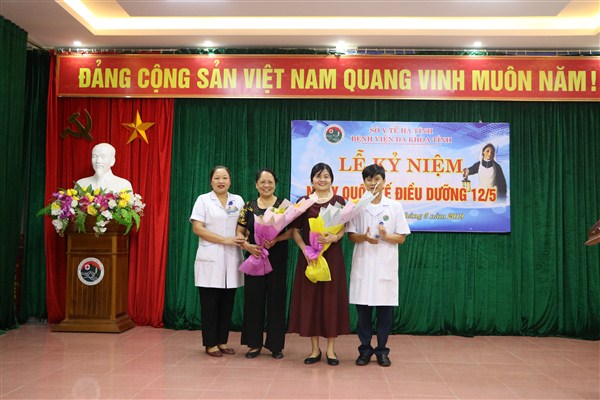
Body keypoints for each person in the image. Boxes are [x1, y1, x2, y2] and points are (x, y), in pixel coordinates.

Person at [347, 164, 410, 367]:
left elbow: (401, 238)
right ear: (364, 182)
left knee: (384, 313)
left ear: (384, 182)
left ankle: (382, 351)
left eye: (377, 179)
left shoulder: (395, 206)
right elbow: (351, 236)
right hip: (363, 266)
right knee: (363, 312)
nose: (373, 183)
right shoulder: (357, 207)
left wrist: (386, 236)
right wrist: (364, 237)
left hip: (385, 266)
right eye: (369, 179)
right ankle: (365, 350)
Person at [288, 162, 350, 366]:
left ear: (332, 179)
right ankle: (314, 349)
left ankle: (331, 350)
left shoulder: (339, 201)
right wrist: (304, 249)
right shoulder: (304, 202)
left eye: (326, 176)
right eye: (318, 176)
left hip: (332, 258)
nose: (322, 180)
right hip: (310, 258)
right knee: (311, 301)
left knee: (331, 300)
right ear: (312, 180)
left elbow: (343, 228)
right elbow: (295, 231)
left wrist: (335, 237)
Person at [236, 169, 292, 359]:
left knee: (276, 301)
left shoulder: (284, 206)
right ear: (256, 184)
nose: (266, 185)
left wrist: (276, 239)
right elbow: (240, 231)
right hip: (255, 256)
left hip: (277, 257)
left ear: (275, 184)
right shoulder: (248, 207)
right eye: (262, 182)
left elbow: (292, 232)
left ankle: (276, 345)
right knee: (254, 300)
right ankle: (254, 344)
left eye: (270, 182)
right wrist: (246, 245)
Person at [190, 166, 245, 357]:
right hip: (210, 257)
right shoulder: (203, 200)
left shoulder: (237, 200)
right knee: (210, 304)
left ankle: (222, 341)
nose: (221, 181)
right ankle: (210, 343)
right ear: (211, 181)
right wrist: (224, 240)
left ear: (230, 181)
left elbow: (243, 226)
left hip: (232, 258)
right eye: (217, 178)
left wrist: (244, 237)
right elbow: (198, 228)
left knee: (227, 304)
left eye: (224, 178)